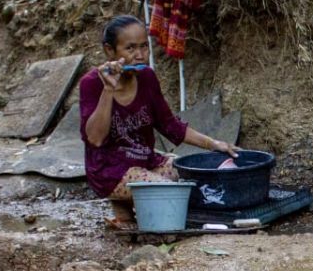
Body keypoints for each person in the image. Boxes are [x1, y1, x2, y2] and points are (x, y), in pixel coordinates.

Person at [80, 15, 237, 229]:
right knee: (171, 194)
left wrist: (214, 144)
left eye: (144, 47)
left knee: (193, 175)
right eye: (130, 49)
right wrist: (108, 89)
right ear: (110, 51)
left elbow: (169, 125)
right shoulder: (91, 84)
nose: (140, 56)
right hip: (110, 170)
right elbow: (95, 139)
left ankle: (127, 212)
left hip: (145, 161)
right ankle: (136, 212)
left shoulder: (147, 78)